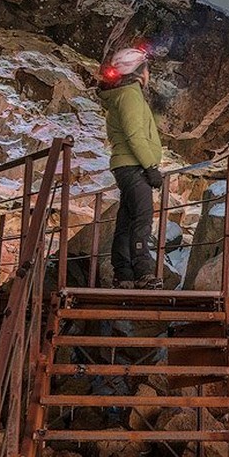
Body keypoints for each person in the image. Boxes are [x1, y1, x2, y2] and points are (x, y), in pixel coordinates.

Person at [96, 42, 165, 288]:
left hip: (126, 166)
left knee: (126, 221)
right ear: (137, 70)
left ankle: (123, 273)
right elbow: (135, 135)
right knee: (142, 220)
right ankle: (143, 272)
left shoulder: (122, 96)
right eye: (146, 68)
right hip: (134, 167)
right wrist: (150, 168)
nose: (148, 74)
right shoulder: (130, 96)